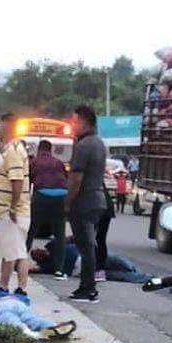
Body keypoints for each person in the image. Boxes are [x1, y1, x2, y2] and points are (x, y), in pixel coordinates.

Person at [65, 104, 108, 303]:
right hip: (97, 200)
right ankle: (86, 286)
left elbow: (76, 179)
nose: (72, 125)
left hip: (84, 201)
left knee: (86, 246)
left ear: (83, 122)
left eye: (74, 121)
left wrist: (67, 202)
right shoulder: (99, 143)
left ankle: (88, 289)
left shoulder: (83, 146)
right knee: (89, 245)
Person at [0, 112, 31, 296]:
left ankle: (16, 287)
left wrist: (13, 207)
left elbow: (17, 181)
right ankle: (7, 285)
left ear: (7, 128)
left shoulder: (14, 150)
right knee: (13, 251)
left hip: (12, 212)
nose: (0, 131)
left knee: (15, 252)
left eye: (2, 127)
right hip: (8, 212)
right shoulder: (11, 149)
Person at [27, 139, 68, 278]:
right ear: (51, 150)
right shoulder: (58, 162)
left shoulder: (34, 162)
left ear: (39, 149)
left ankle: (20, 263)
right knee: (59, 234)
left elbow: (28, 182)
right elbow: (65, 180)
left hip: (42, 196)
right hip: (61, 197)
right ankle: (59, 269)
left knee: (31, 230)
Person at [0, 294, 76, 340]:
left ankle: (33, 335)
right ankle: (53, 326)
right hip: (14, 301)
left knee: (13, 322)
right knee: (32, 320)